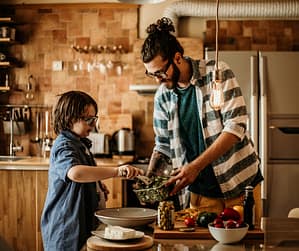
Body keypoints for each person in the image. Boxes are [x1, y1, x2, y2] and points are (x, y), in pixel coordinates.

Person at [141, 17, 263, 213]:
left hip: (240, 183)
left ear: (177, 58)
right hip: (201, 193)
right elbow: (163, 144)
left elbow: (236, 126)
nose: (157, 81)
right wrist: (149, 180)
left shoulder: (217, 73)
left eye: (160, 73)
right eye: (151, 74)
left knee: (247, 243)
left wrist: (195, 166)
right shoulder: (162, 97)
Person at [41, 91, 143, 251]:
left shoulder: (80, 144)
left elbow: (85, 173)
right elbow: (75, 173)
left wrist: (97, 184)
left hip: (81, 224)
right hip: (66, 229)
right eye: (88, 119)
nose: (93, 124)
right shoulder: (64, 145)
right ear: (69, 118)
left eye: (94, 119)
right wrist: (116, 171)